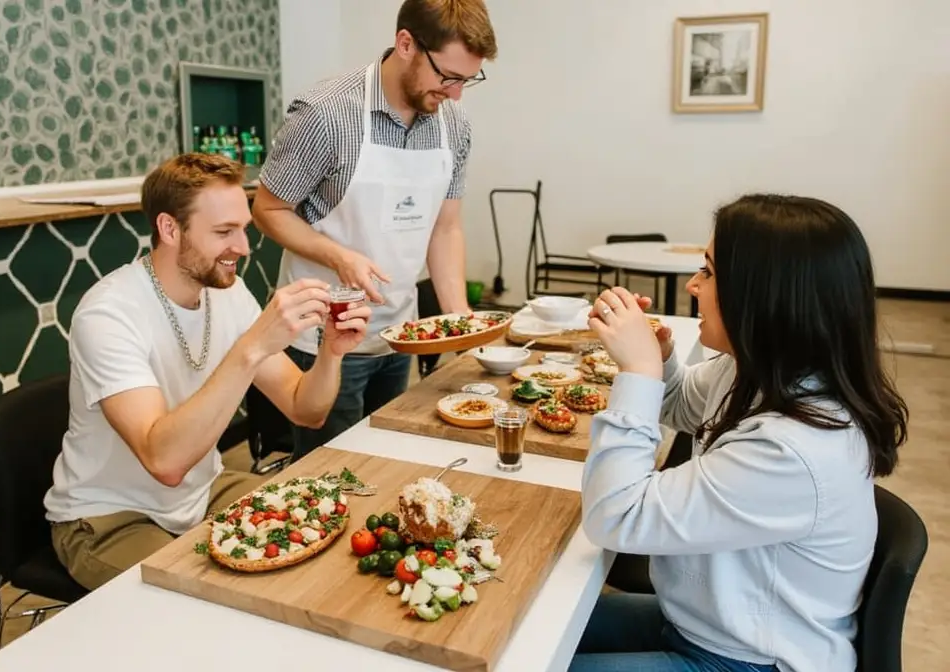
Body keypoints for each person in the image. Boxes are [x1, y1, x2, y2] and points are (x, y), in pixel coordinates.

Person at [570, 194, 909, 672]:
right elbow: (683, 403)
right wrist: (661, 361)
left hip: (752, 660)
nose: (692, 285)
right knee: (524, 632)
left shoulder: (794, 448)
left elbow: (615, 516)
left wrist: (639, 371)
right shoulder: (762, 371)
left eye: (709, 273)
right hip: (705, 624)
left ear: (763, 296)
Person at [43, 153, 372, 591]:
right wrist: (252, 347)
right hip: (109, 518)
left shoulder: (227, 292)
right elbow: (165, 462)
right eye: (223, 232)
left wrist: (331, 352)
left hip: (204, 493)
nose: (243, 247)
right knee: (206, 604)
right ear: (169, 229)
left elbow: (303, 409)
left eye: (243, 229)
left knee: (326, 537)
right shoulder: (108, 314)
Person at [251, 0, 498, 461]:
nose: (457, 94)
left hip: (400, 335)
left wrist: (462, 322)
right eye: (448, 76)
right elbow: (268, 209)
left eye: (467, 80)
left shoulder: (453, 126)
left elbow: (445, 230)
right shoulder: (326, 115)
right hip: (324, 338)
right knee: (332, 474)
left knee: (391, 462)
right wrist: (338, 256)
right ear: (406, 44)